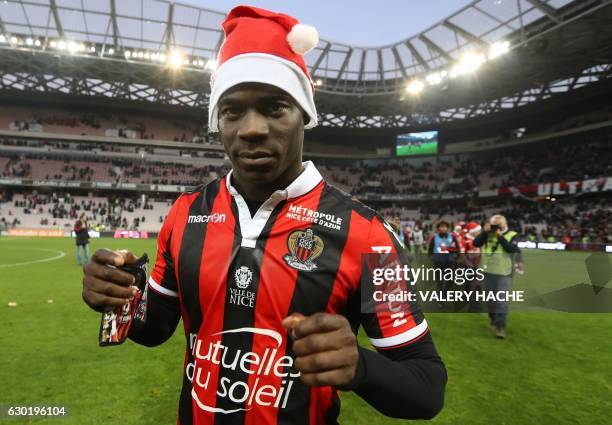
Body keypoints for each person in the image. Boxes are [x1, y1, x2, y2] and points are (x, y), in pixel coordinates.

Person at [81, 6, 446, 425]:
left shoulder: (370, 236)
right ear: (218, 121)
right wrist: (117, 296)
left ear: (304, 116)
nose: (251, 128)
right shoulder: (185, 214)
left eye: (274, 107)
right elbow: (155, 327)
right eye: (232, 111)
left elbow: (426, 386)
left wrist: (361, 366)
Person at [473, 214, 521, 339]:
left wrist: (500, 237)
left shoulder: (512, 234)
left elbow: (511, 249)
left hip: (505, 273)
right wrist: (484, 232)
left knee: (501, 301)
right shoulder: (488, 234)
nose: (495, 227)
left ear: (504, 224)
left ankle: (500, 327)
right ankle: (493, 321)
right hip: (488, 271)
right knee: (490, 300)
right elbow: (476, 243)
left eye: (498, 225)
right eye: (494, 225)